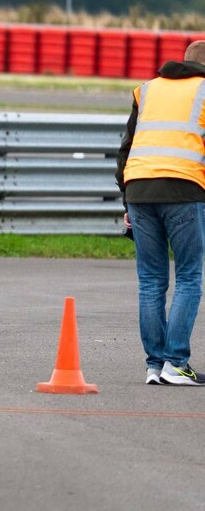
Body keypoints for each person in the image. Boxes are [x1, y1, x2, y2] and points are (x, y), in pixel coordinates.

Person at [116, 40, 205, 385]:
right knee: (189, 277)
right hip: (183, 189)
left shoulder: (148, 90)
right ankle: (176, 362)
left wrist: (128, 200)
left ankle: (155, 366)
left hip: (139, 190)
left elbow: (125, 150)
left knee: (151, 281)